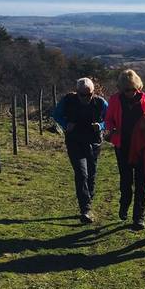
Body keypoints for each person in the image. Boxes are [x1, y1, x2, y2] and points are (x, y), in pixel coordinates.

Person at [53, 77, 108, 224]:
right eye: (82, 95)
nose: (86, 98)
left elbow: (110, 118)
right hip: (74, 141)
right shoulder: (68, 100)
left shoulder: (101, 102)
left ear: (93, 92)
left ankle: (88, 198)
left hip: (94, 142)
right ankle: (85, 209)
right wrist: (65, 124)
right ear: (77, 92)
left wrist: (101, 126)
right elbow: (56, 114)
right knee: (81, 173)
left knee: (91, 174)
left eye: (88, 94)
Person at [105, 70, 145, 229]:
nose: (130, 93)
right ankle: (124, 203)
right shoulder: (114, 100)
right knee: (126, 181)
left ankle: (138, 217)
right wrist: (112, 129)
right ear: (121, 88)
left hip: (141, 145)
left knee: (141, 181)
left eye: (133, 89)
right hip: (123, 145)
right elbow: (108, 120)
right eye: (127, 90)